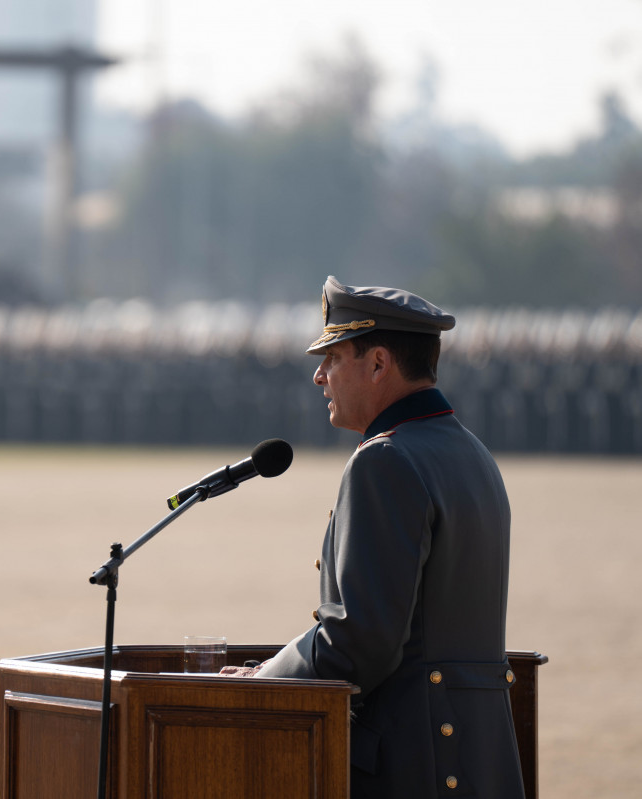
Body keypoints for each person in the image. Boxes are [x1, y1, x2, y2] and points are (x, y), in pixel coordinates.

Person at [223, 276, 526, 798]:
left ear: (379, 363)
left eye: (333, 359)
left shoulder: (385, 460)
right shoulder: (472, 452)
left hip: (407, 764)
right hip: (476, 760)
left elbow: (358, 643)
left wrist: (265, 680)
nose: (319, 377)